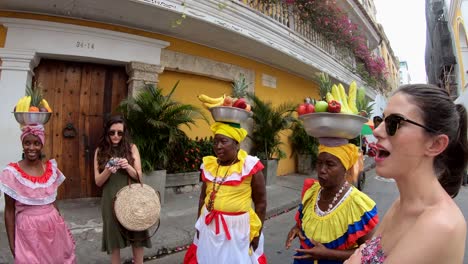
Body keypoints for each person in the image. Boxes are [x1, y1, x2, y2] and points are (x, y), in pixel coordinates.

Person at [344, 84, 468, 264]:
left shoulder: (441, 225)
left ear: (435, 144)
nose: (377, 131)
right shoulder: (401, 204)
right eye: (381, 120)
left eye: (394, 123)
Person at [184, 122, 267, 264]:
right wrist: (199, 223)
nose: (218, 146)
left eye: (223, 141)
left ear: (236, 144)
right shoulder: (210, 166)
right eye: (215, 142)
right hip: (209, 226)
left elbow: (261, 203)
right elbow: (202, 198)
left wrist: (257, 234)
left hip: (237, 230)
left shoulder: (249, 166)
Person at [285, 141, 379, 264]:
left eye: (330, 164)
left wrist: (328, 254)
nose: (322, 170)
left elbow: (369, 251)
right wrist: (297, 228)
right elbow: (304, 220)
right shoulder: (312, 192)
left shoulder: (357, 205)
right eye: (319, 163)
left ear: (345, 169)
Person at [0, 124, 76, 263]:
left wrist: (62, 227)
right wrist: (12, 242)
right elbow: (9, 211)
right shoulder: (12, 174)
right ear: (22, 144)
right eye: (27, 143)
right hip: (28, 233)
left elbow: (52, 201)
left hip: (53, 229)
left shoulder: (50, 170)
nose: (31, 148)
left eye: (36, 143)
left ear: (42, 145)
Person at [94, 116, 151, 264]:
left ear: (124, 133)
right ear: (107, 133)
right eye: (112, 132)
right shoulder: (99, 151)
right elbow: (98, 182)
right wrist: (107, 170)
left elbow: (139, 177)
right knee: (114, 240)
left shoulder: (132, 148)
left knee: (137, 235)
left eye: (120, 133)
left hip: (132, 198)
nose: (115, 136)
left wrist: (128, 166)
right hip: (110, 200)